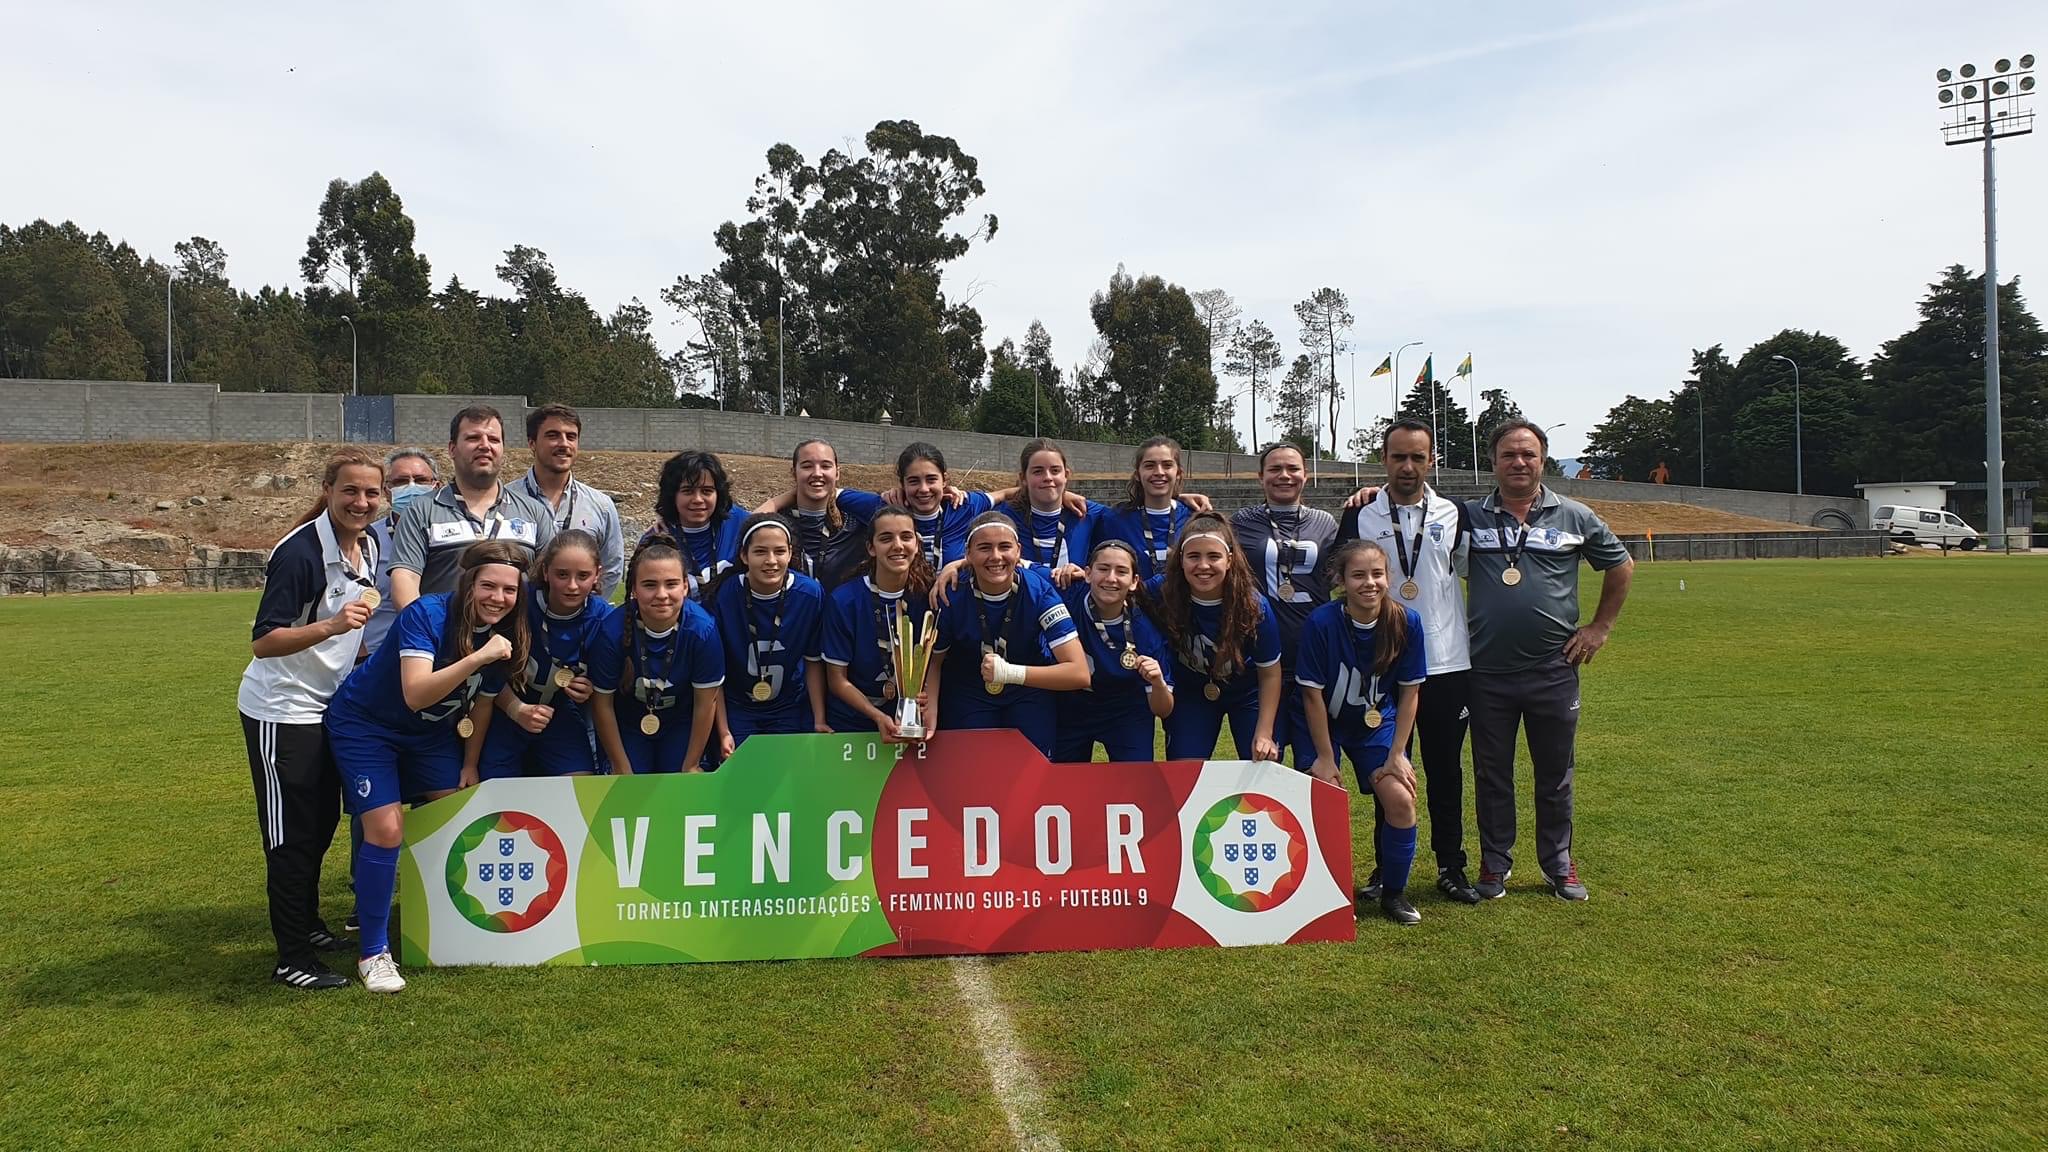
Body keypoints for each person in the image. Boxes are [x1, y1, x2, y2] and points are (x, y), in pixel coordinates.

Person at [325, 540, 531, 993]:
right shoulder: (427, 615)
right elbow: (416, 692)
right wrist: (478, 656)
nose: (498, 597)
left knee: (457, 818)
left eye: (509, 590)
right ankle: (374, 952)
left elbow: (483, 703)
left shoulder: (509, 631)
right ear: (469, 583)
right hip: (368, 725)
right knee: (386, 829)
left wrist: (471, 763)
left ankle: (449, 926)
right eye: (488, 586)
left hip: (430, 736)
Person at [1464, 420, 1634, 901]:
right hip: (1486, 671)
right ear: (1493, 462)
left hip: (1553, 669)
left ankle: (1558, 864)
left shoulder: (1575, 516)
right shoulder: (1468, 517)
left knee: (1555, 773)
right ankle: (1495, 866)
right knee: (1491, 773)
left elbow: (1621, 565)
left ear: (1543, 460)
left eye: (1528, 455)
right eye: (1508, 455)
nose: (1519, 463)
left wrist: (1599, 628)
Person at [237, 448, 384, 990]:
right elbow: (264, 640)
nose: (361, 501)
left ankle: (310, 926)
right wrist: (334, 625)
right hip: (282, 712)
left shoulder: (366, 546)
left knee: (320, 825)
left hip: (327, 709)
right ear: (328, 489)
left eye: (371, 493)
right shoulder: (300, 553)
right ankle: (292, 958)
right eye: (350, 491)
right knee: (291, 836)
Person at [1337, 419, 1482, 904]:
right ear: (1383, 459)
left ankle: (1451, 866)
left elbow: (1470, 570)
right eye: (1398, 457)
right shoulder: (1360, 514)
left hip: (1445, 661)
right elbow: (1340, 579)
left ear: (1432, 460)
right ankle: (1385, 867)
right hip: (1384, 663)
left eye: (1417, 457)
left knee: (1445, 769)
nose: (1407, 466)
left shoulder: (1455, 512)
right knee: (1389, 768)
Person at [1296, 539, 1430, 925]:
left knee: (1400, 798)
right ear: (1341, 580)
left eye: (1377, 574)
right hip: (1323, 724)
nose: (1369, 583)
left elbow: (1409, 694)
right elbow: (1311, 695)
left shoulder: (1406, 622)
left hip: (1377, 723)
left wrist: (1397, 754)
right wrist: (1324, 756)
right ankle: (1328, 894)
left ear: (1389, 577)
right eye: (1358, 575)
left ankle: (1394, 893)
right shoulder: (1322, 622)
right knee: (1324, 796)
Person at [927, 513, 1089, 758]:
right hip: (970, 692)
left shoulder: (1039, 590)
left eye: (1005, 547)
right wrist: (929, 716)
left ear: (1018, 551)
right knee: (973, 776)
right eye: (984, 548)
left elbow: (1078, 673)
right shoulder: (952, 593)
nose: (996, 557)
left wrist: (1009, 673)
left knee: (1030, 777)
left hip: (1028, 691)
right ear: (967, 554)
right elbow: (934, 662)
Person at [1230, 443, 1337, 769]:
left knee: (1315, 764)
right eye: (1275, 469)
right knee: (1263, 765)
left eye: (1293, 468)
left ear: (1306, 475)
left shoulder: (1326, 523)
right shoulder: (1240, 522)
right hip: (1260, 661)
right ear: (1260, 476)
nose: (1284, 476)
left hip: (1313, 657)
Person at [477, 530, 612, 781]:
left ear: (597, 576)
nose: (572, 586)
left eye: (583, 576)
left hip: (558, 712)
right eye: (562, 574)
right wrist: (515, 709)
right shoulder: (518, 602)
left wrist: (590, 689)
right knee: (493, 791)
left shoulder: (603, 618)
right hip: (504, 709)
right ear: (546, 571)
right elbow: (485, 670)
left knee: (580, 787)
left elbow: (610, 683)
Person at [388, 405, 554, 609]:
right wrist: (426, 635)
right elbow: (406, 580)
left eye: (493, 439)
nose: (485, 446)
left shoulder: (533, 512)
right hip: (444, 637)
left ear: (503, 449)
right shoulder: (420, 511)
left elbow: (551, 581)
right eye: (473, 438)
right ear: (452, 449)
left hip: (512, 640)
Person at [1148, 513, 1283, 762]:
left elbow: (1271, 673)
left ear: (1229, 560)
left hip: (1246, 691)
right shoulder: (1163, 590)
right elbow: (1124, 590)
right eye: (1193, 556)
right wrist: (1081, 577)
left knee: (1263, 762)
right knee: (1184, 768)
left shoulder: (1253, 606)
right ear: (1180, 559)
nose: (1203, 565)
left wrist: (1264, 732)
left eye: (1213, 556)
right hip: (1191, 691)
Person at [587, 536, 723, 773]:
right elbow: (602, 704)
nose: (661, 594)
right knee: (629, 788)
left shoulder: (702, 630)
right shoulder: (612, 631)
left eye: (671, 584)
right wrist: (620, 764)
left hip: (680, 722)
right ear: (634, 590)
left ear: (685, 586)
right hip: (627, 723)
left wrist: (691, 764)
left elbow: (705, 703)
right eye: (650, 585)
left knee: (678, 786)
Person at [710, 515, 829, 755]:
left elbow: (813, 660)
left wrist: (819, 717)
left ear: (790, 553)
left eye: (779, 551)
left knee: (789, 776)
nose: (771, 561)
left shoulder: (809, 594)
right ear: (744, 555)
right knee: (742, 776)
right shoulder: (726, 594)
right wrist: (723, 730)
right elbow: (715, 672)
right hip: (739, 705)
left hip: (789, 705)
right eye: (761, 552)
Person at [822, 506, 938, 738]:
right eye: (886, 538)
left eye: (906, 537)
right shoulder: (844, 601)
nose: (897, 545)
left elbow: (934, 663)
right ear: (871, 548)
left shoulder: (929, 597)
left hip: (908, 718)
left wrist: (925, 695)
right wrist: (876, 715)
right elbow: (836, 679)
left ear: (916, 544)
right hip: (852, 721)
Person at [1053, 539, 1174, 762]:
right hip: (1072, 705)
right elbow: (1020, 567)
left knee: (1136, 781)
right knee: (1061, 782)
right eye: (1103, 569)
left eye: (1121, 571)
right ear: (1087, 573)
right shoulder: (1067, 595)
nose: (1111, 578)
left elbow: (1163, 709)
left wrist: (1158, 683)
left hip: (1126, 709)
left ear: (1134, 581)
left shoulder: (1145, 630)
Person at [516, 404, 624, 599]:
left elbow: (611, 568)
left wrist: (583, 611)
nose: (563, 443)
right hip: (519, 621)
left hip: (579, 624)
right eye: (553, 435)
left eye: (571, 437)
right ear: (532, 443)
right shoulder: (505, 500)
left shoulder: (602, 506)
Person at [754, 439, 873, 590]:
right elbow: (749, 526)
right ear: (794, 473)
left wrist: (838, 493)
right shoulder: (780, 523)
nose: (817, 473)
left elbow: (891, 510)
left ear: (837, 473)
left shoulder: (854, 523)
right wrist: (779, 501)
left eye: (825, 466)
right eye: (807, 466)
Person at [362, 448, 438, 659]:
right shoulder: (365, 539)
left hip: (435, 657)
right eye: (401, 481)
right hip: (376, 660)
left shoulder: (450, 539)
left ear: (437, 486)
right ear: (387, 491)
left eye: (421, 480)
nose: (412, 487)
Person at [1100, 436, 1201, 582]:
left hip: (1183, 604)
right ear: (1137, 475)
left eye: (1167, 465)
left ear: (1178, 473)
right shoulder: (1115, 518)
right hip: (1134, 603)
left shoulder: (1194, 518)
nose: (1159, 472)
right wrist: (1065, 495)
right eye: (1149, 465)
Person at [646, 451, 745, 597]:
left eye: (707, 491)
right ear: (672, 495)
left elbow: (770, 522)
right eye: (688, 491)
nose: (698, 499)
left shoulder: (737, 522)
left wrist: (781, 500)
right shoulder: (656, 539)